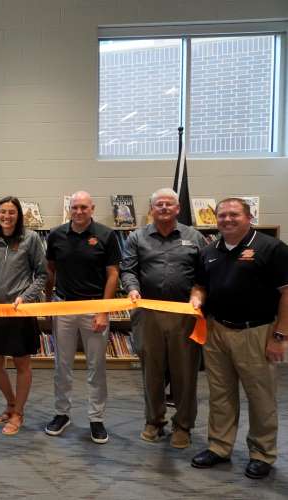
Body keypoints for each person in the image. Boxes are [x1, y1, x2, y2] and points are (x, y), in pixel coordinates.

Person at [190, 198, 288, 479]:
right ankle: (220, 447)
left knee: (260, 397)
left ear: (249, 217)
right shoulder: (209, 251)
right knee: (220, 394)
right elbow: (200, 286)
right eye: (222, 215)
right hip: (217, 330)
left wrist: (280, 335)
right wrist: (196, 299)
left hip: (256, 332)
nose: (227, 220)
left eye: (234, 214)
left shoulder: (271, 248)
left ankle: (262, 453)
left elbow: (287, 293)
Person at [120, 188, 206, 448]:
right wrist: (132, 288)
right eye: (159, 204)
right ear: (151, 210)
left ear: (178, 209)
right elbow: (128, 269)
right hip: (149, 315)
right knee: (152, 373)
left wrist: (197, 296)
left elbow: (203, 275)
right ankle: (154, 421)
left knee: (185, 373)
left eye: (170, 204)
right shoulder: (137, 237)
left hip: (184, 314)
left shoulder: (195, 237)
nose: (165, 208)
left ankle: (183, 426)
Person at [44, 191, 120, 444]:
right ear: (70, 209)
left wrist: (104, 310)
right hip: (62, 306)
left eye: (83, 207)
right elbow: (50, 271)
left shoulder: (106, 235)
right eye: (74, 207)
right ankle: (61, 414)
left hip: (94, 308)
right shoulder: (55, 235)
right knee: (61, 365)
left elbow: (113, 274)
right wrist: (48, 304)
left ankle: (96, 419)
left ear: (92, 209)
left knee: (95, 367)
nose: (78, 211)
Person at [0, 196, 47, 436]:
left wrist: (25, 298)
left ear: (19, 215)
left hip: (20, 311)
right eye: (2, 212)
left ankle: (18, 413)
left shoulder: (31, 239)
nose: (6, 216)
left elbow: (41, 275)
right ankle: (11, 403)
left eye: (11, 212)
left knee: (21, 363)